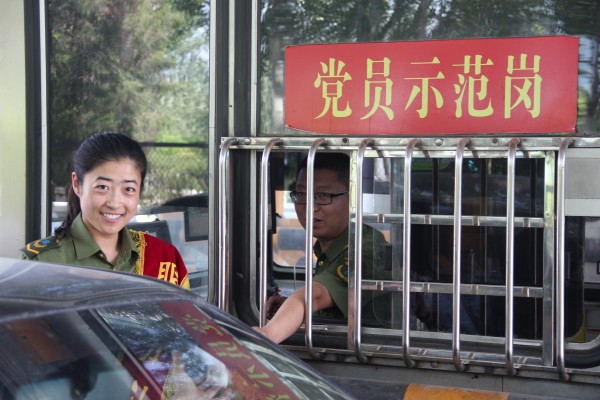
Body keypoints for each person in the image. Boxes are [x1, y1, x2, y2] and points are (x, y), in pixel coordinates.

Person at [20, 131, 190, 289]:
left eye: (128, 189)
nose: (115, 203)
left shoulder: (165, 258)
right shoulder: (41, 262)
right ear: (77, 185)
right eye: (102, 187)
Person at [254, 153, 389, 343]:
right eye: (302, 194)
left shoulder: (367, 247)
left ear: (352, 198)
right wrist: (289, 309)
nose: (310, 207)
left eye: (323, 195)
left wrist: (266, 336)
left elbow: (315, 296)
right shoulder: (329, 246)